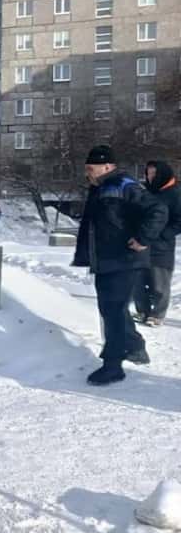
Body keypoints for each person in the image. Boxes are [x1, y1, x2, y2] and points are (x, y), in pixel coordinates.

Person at [72, 145, 167, 386]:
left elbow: (158, 209)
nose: (88, 173)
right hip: (106, 261)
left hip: (124, 260)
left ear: (107, 166)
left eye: (90, 168)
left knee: (112, 311)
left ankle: (113, 366)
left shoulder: (124, 185)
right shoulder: (100, 188)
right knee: (114, 309)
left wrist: (143, 239)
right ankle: (135, 346)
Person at [133, 161, 181, 326]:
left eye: (154, 173)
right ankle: (142, 311)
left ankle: (157, 314)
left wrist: (164, 234)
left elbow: (179, 221)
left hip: (162, 247)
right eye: (148, 173)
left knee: (159, 283)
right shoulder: (146, 192)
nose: (150, 177)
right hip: (142, 242)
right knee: (138, 281)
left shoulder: (175, 193)